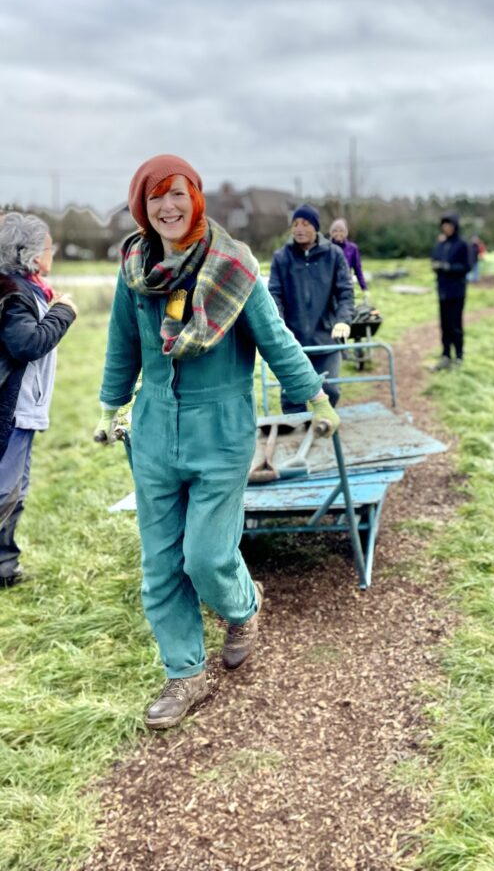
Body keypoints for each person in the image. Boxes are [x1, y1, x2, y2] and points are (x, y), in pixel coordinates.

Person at [93, 156, 340, 731]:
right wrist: (110, 404)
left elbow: (276, 340)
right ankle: (184, 672)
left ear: (195, 197)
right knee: (160, 566)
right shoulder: (135, 267)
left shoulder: (233, 266)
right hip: (154, 430)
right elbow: (122, 344)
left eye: (176, 194)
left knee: (204, 555)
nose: (167, 208)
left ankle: (242, 606)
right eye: (154, 198)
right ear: (141, 206)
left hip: (221, 431)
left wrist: (314, 396)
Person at [0, 213, 77, 587]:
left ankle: (5, 569)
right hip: (12, 412)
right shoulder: (15, 293)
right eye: (48, 247)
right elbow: (26, 345)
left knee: (15, 494)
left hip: (24, 412)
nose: (53, 252)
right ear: (28, 252)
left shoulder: (29, 287)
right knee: (4, 493)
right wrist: (64, 312)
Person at [268, 204, 354, 414]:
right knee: (293, 396)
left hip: (326, 336)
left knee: (329, 389)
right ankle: (295, 430)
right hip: (292, 339)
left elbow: (345, 292)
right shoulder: (282, 257)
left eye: (305, 224)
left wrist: (343, 320)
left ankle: (322, 425)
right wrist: (280, 326)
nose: (299, 228)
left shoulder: (333, 255)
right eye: (295, 224)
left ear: (315, 227)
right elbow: (274, 295)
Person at [430, 213, 471, 370]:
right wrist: (436, 265)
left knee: (455, 324)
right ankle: (446, 354)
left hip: (456, 291)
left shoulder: (461, 245)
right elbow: (434, 259)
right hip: (443, 290)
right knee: (444, 324)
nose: (446, 228)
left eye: (449, 225)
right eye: (444, 225)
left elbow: (466, 267)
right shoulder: (440, 245)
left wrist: (448, 267)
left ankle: (459, 355)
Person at [329, 218, 368, 297]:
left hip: (345, 285)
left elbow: (358, 269)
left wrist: (364, 288)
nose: (338, 233)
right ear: (331, 233)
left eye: (341, 231)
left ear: (346, 232)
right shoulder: (326, 247)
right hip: (329, 287)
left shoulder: (352, 248)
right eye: (335, 231)